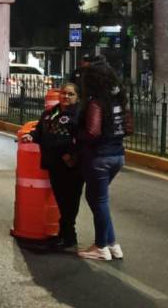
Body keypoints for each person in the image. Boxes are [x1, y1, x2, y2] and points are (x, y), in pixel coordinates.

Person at [76, 64, 131, 261]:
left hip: (100, 157)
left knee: (98, 200)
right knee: (98, 199)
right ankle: (112, 244)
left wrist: (76, 137)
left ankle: (100, 246)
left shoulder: (97, 102)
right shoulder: (119, 100)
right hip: (117, 155)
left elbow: (92, 131)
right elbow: (128, 127)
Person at [20, 82, 83, 250]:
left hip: (71, 166)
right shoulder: (50, 113)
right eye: (64, 93)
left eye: (71, 94)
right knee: (62, 200)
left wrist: (71, 155)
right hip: (53, 164)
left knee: (70, 202)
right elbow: (40, 131)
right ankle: (64, 236)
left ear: (77, 97)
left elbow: (83, 138)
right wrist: (32, 136)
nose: (66, 97)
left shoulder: (79, 115)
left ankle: (68, 237)